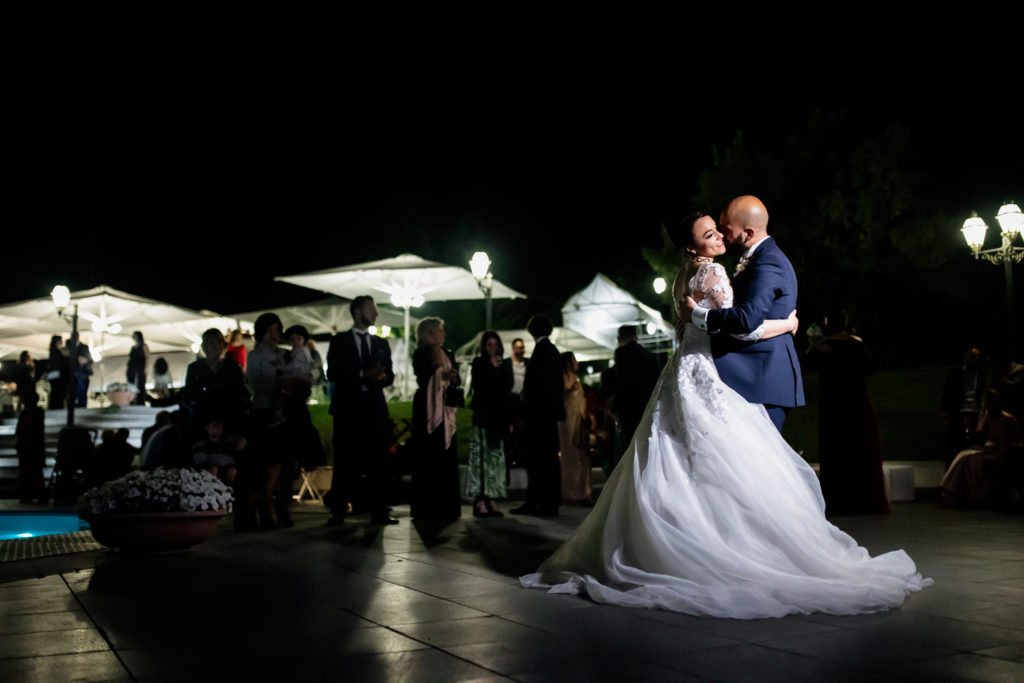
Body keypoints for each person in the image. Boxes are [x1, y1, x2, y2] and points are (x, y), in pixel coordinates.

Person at [521, 208, 932, 618]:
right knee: (726, 462)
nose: (719, 238)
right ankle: (728, 546)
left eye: (718, 231)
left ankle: (672, 543)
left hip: (681, 372)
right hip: (704, 375)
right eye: (709, 234)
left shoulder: (685, 274)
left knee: (679, 460)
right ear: (690, 245)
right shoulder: (713, 274)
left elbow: (699, 323)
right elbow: (741, 327)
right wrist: (785, 326)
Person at [680, 196, 804, 432]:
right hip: (748, 377)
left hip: (763, 379)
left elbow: (746, 321)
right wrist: (787, 324)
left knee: (760, 465)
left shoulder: (768, 263)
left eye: (724, 229)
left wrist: (697, 315)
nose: (720, 235)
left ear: (747, 233)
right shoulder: (756, 258)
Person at [805, 309, 889, 515]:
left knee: (834, 449)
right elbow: (872, 366)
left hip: (832, 403)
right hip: (856, 401)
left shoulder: (823, 347)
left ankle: (837, 501)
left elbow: (805, 364)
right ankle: (863, 500)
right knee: (859, 448)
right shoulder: (855, 344)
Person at [326, 296, 397, 526]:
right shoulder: (339, 341)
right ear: (357, 312)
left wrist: (383, 377)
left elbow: (391, 375)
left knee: (379, 459)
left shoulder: (380, 343)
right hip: (348, 408)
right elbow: (333, 373)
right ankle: (338, 511)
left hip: (375, 408)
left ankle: (380, 511)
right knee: (345, 459)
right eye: (371, 309)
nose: (376, 313)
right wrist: (361, 377)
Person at [511, 315, 564, 517]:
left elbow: (540, 385)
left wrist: (527, 397)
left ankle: (538, 501)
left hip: (539, 416)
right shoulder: (552, 350)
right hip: (548, 416)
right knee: (548, 459)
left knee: (539, 460)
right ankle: (546, 501)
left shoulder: (542, 351)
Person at [411, 317, 462, 522]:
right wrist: (434, 348)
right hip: (427, 408)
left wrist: (453, 377)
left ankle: (447, 506)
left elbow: (454, 378)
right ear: (429, 333)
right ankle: (428, 507)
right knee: (428, 453)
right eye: (440, 331)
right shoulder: (422, 353)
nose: (444, 334)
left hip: (446, 407)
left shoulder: (448, 353)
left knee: (446, 454)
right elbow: (429, 369)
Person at [247, 313, 293, 529]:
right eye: (269, 330)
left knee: (287, 462)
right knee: (270, 460)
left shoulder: (287, 354)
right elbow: (258, 384)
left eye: (277, 329)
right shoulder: (255, 356)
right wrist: (281, 382)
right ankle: (266, 504)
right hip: (265, 411)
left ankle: (283, 506)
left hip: (287, 411)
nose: (274, 334)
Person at [941, 388, 1022, 507]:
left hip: (1002, 452)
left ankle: (973, 496)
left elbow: (1016, 441)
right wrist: (970, 430)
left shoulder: (1007, 419)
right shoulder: (985, 415)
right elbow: (981, 436)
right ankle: (950, 490)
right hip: (988, 449)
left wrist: (1004, 444)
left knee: (974, 461)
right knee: (963, 455)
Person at [467, 331, 511, 517]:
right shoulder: (479, 363)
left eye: (495, 344)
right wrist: (489, 368)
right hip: (483, 417)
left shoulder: (505, 365)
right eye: (489, 345)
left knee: (495, 459)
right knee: (481, 459)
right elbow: (478, 387)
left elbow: (506, 391)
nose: (493, 349)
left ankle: (492, 496)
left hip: (497, 419)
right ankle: (480, 499)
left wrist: (509, 419)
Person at [609, 325, 660, 463]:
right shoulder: (649, 355)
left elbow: (620, 381)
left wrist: (615, 408)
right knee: (645, 444)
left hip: (628, 408)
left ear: (619, 338)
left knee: (628, 446)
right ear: (636, 337)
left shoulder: (621, 353)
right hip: (646, 406)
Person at [940, 347, 991, 468]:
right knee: (954, 446)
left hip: (976, 412)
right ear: (965, 356)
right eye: (974, 356)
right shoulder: (954, 374)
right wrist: (946, 413)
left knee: (976, 445)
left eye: (978, 357)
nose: (977, 359)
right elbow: (947, 393)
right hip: (958, 412)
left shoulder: (981, 375)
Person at [558, 352, 591, 505]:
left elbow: (582, 400)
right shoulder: (563, 378)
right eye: (574, 360)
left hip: (579, 419)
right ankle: (570, 493)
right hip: (567, 421)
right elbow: (564, 392)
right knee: (570, 456)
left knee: (581, 456)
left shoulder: (577, 378)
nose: (577, 363)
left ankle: (583, 491)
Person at [193, 416, 246, 485]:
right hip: (211, 470)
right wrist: (197, 448)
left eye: (221, 426)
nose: (219, 429)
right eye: (216, 426)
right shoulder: (203, 444)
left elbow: (241, 442)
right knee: (213, 470)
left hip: (229, 470)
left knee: (233, 471)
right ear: (206, 427)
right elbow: (199, 461)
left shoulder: (227, 441)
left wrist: (242, 443)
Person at [502, 337, 529, 471]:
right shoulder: (507, 363)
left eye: (522, 348)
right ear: (513, 349)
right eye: (519, 348)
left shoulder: (527, 363)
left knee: (523, 429)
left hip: (523, 400)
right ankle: (512, 457)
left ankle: (522, 457)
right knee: (512, 429)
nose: (521, 350)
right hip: (511, 400)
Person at [16, 391, 47, 503]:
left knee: (32, 472)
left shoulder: (33, 413)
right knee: (32, 472)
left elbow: (28, 431)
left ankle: (31, 495)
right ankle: (29, 495)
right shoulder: (30, 413)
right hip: (29, 447)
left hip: (31, 447)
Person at [46, 335, 69, 410]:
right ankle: (57, 406)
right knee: (57, 393)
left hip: (54, 375)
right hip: (58, 375)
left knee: (55, 393)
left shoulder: (53, 351)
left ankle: (55, 406)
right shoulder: (57, 352)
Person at [127, 331, 150, 405]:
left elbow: (147, 357)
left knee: (140, 385)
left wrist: (146, 368)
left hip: (140, 368)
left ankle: (140, 402)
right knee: (131, 385)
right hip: (132, 368)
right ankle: (131, 400)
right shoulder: (133, 347)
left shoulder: (143, 346)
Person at [73, 334, 94, 408]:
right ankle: (78, 404)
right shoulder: (72, 347)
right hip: (75, 373)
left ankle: (82, 405)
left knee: (82, 391)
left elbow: (89, 360)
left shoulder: (83, 347)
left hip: (82, 373)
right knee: (76, 391)